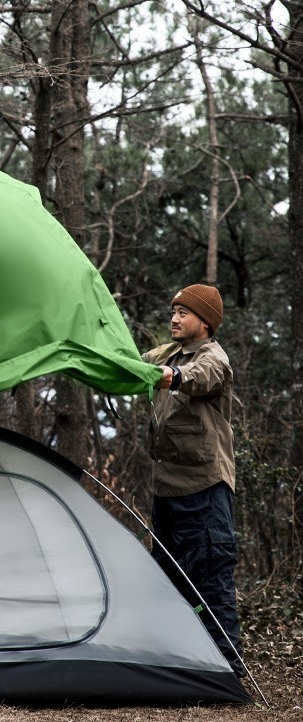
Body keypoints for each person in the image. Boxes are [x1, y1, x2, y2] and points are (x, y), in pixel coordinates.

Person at [143, 283, 244, 675]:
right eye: (173, 311)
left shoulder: (213, 357)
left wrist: (169, 375)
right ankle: (178, 660)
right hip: (166, 489)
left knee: (211, 577)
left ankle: (226, 668)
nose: (174, 318)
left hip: (204, 489)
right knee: (168, 577)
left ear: (204, 321)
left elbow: (193, 377)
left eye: (183, 313)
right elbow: (133, 361)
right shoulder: (168, 352)